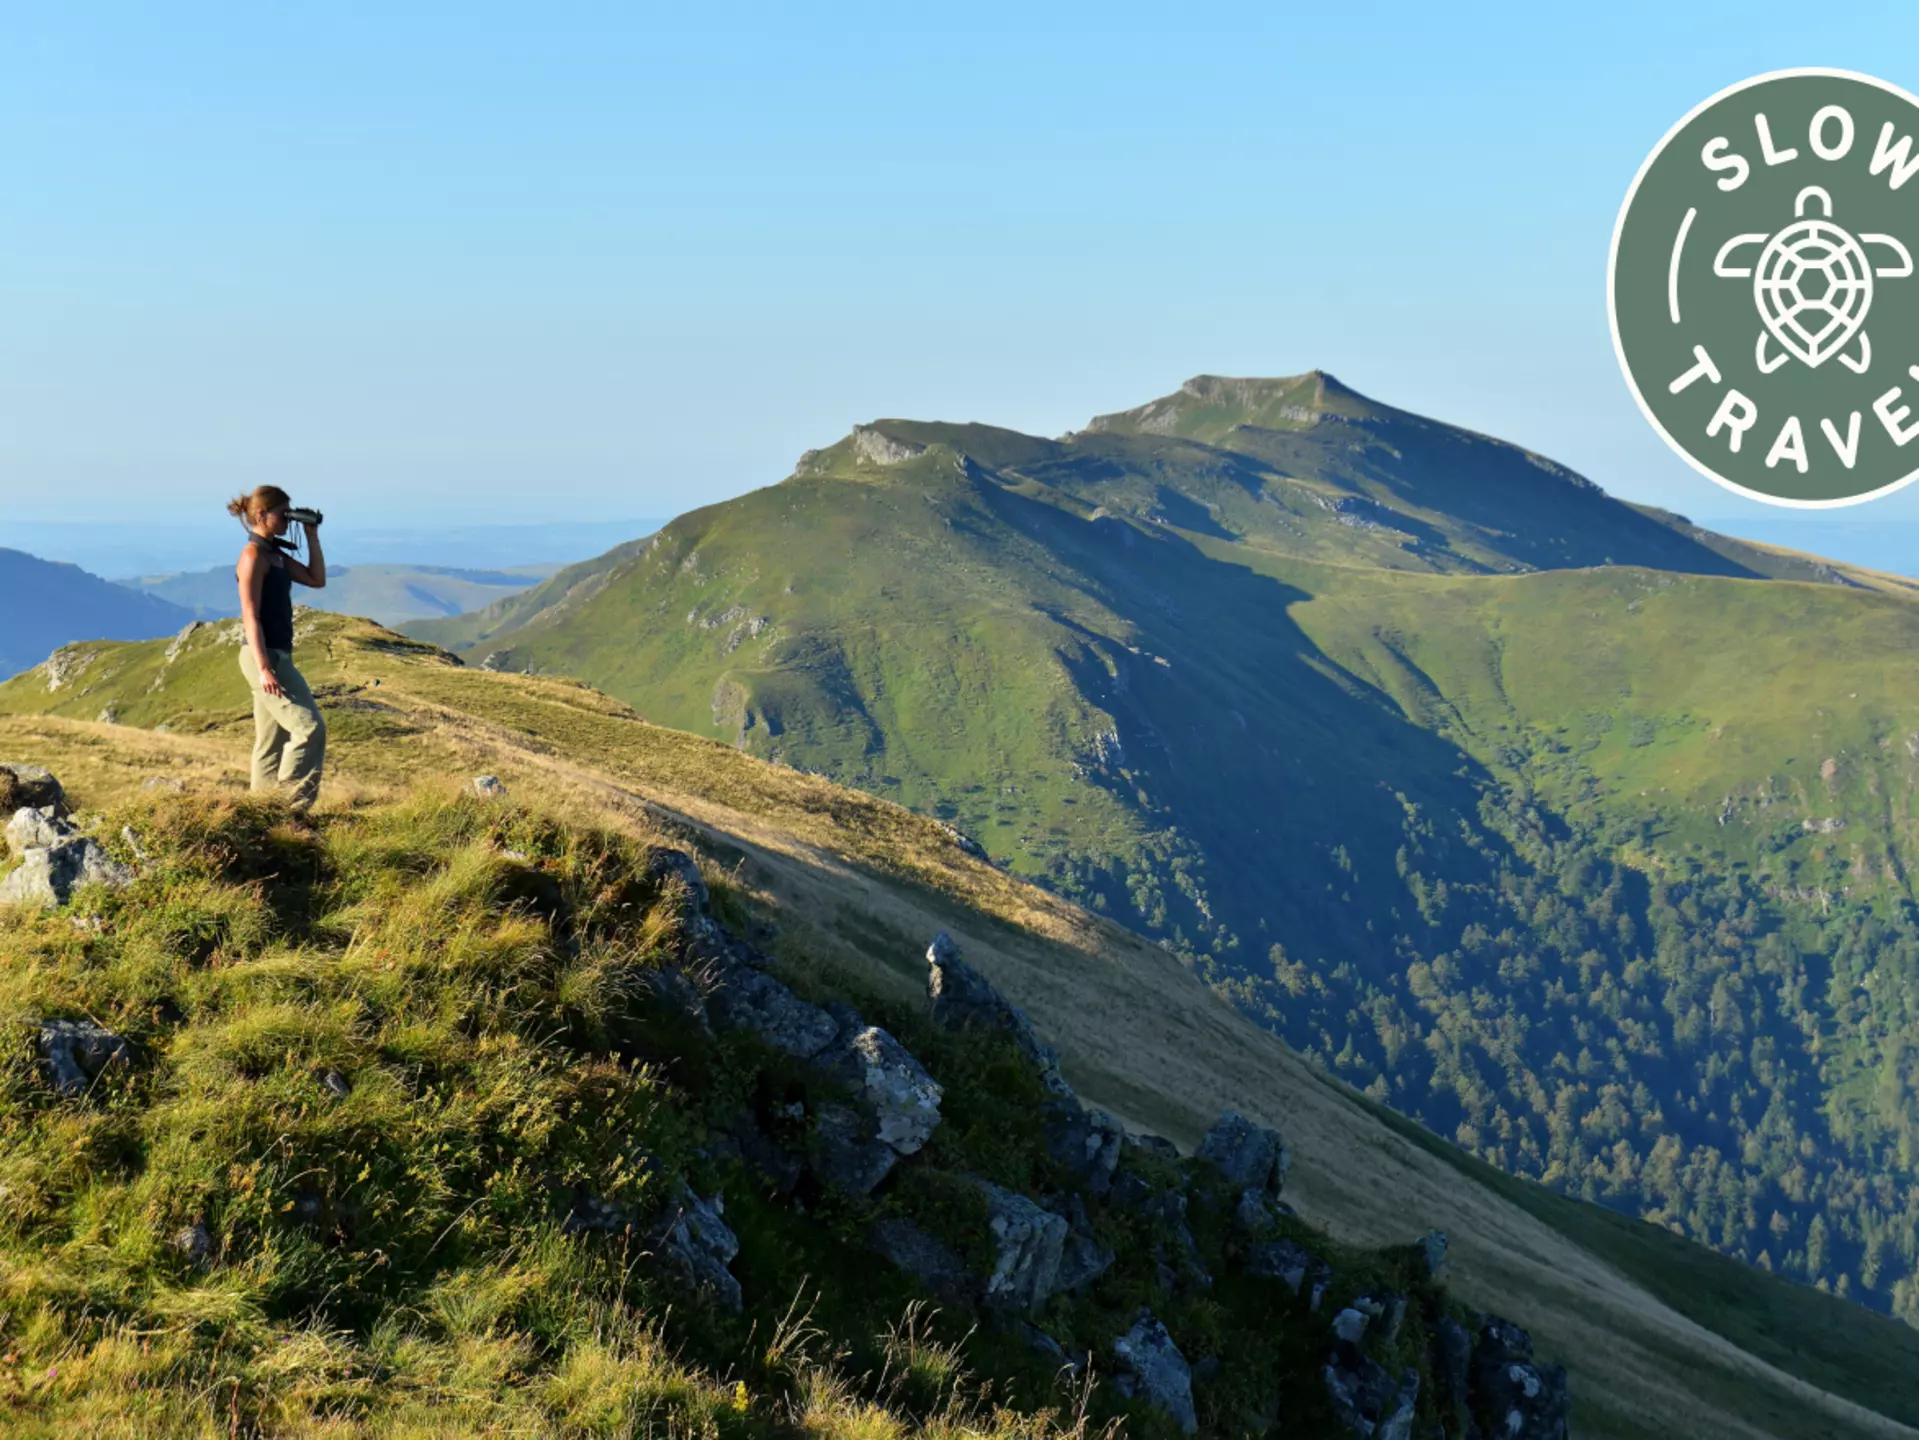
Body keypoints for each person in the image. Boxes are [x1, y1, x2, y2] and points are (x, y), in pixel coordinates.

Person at [229, 486, 328, 813]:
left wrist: (311, 536)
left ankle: (261, 812)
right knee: (310, 729)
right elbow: (250, 614)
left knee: (271, 742)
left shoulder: (275, 555)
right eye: (283, 514)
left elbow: (316, 579)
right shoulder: (253, 556)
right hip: (263, 656)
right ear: (262, 515)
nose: (288, 519)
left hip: (276, 654)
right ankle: (290, 810)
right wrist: (263, 667)